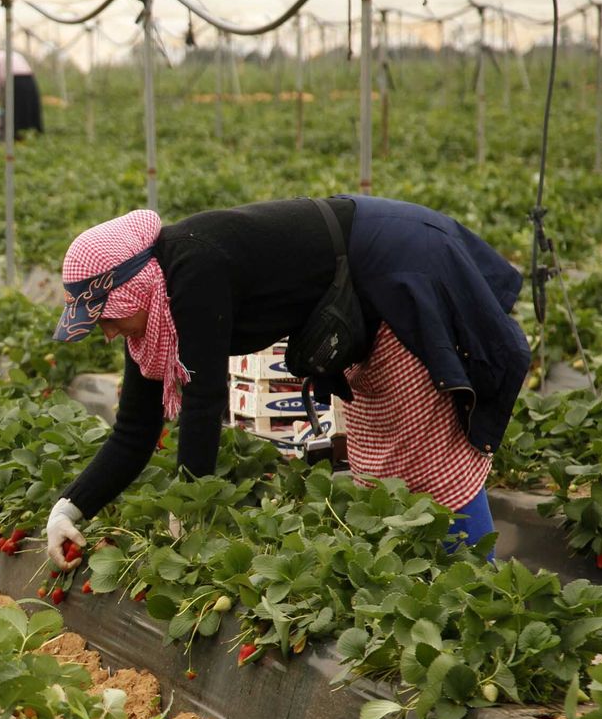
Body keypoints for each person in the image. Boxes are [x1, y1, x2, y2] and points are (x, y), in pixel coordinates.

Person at [43, 197, 531, 570]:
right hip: (359, 292)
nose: (107, 333)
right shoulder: (154, 320)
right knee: (377, 457)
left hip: (400, 268)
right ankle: (424, 581)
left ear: (132, 290)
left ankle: (475, 580)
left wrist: (189, 513)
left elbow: (203, 401)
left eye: (105, 317)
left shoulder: (192, 273)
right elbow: (135, 429)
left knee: (426, 453)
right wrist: (68, 509)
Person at [0, 45, 42, 138]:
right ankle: (35, 130)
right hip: (29, 78)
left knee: (11, 107)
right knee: (29, 105)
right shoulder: (13, 54)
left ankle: (12, 134)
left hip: (13, 80)